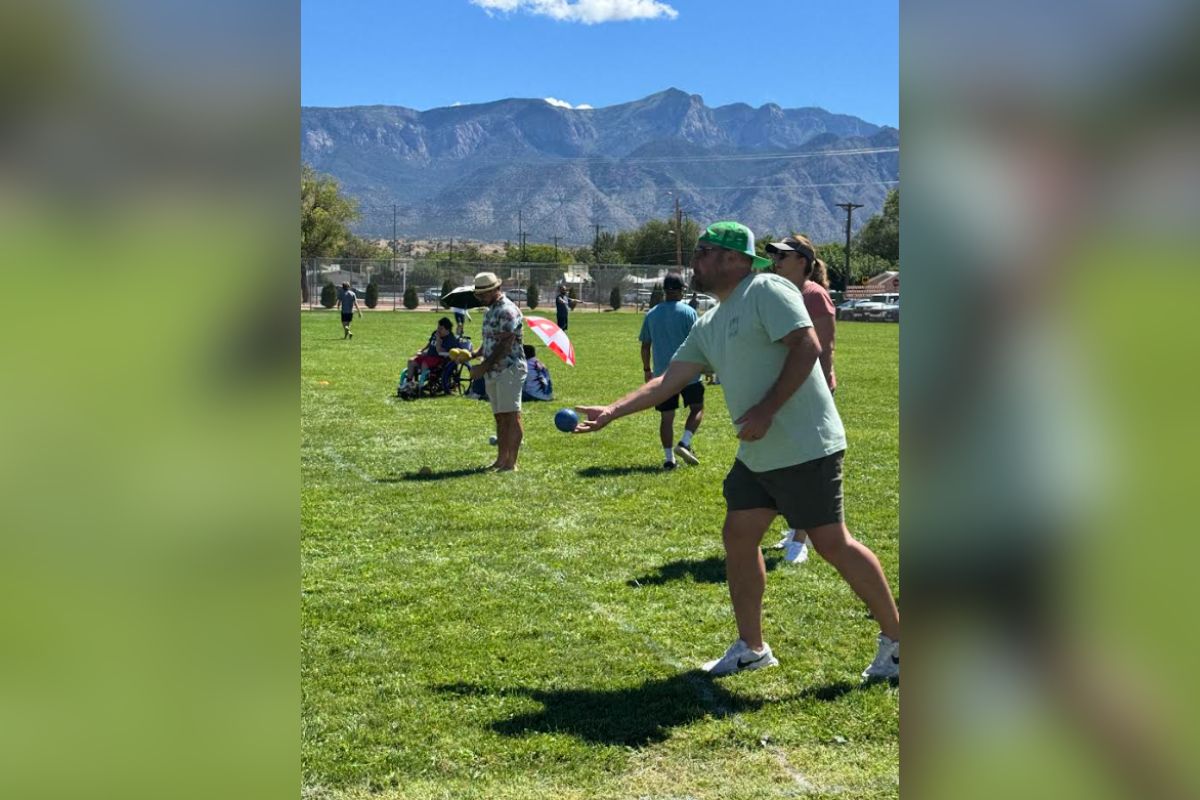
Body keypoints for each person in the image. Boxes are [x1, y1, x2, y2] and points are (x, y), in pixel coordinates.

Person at [574, 221, 900, 683]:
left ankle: (900, 643)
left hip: (804, 443)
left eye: (703, 252)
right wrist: (611, 410)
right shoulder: (711, 320)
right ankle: (752, 647)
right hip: (759, 453)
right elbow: (668, 380)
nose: (695, 261)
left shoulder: (766, 288)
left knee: (832, 543)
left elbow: (806, 346)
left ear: (731, 257)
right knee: (739, 536)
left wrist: (767, 410)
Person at [765, 234, 838, 565]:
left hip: (809, 392)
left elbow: (823, 350)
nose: (776, 260)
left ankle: (800, 541)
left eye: (784, 255)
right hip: (781, 388)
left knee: (806, 466)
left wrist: (820, 392)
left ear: (803, 262)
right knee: (786, 463)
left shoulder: (815, 295)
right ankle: (796, 528)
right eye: (775, 255)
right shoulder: (778, 293)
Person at [638, 273, 703, 470]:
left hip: (663, 376)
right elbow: (699, 342)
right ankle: (684, 442)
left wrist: (647, 370)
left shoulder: (652, 314)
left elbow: (645, 346)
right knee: (697, 408)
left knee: (667, 418)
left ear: (665, 290)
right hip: (689, 372)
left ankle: (668, 459)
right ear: (681, 290)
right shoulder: (689, 312)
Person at [468, 272, 526, 471]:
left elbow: (505, 345)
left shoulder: (508, 310)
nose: (480, 298)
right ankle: (501, 460)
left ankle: (511, 463)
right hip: (493, 371)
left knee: (511, 415)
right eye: (479, 294)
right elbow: (490, 340)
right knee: (500, 417)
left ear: (495, 290)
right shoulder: (490, 310)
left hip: (509, 369)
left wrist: (483, 367)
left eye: (483, 293)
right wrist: (476, 353)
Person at [402, 316, 460, 394]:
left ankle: (420, 386)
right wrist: (422, 350)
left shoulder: (450, 339)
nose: (438, 330)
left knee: (424, 363)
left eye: (441, 328)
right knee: (411, 361)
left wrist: (439, 342)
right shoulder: (435, 333)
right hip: (428, 356)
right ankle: (408, 384)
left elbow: (441, 352)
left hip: (438, 359)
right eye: (438, 327)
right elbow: (430, 343)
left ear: (447, 329)